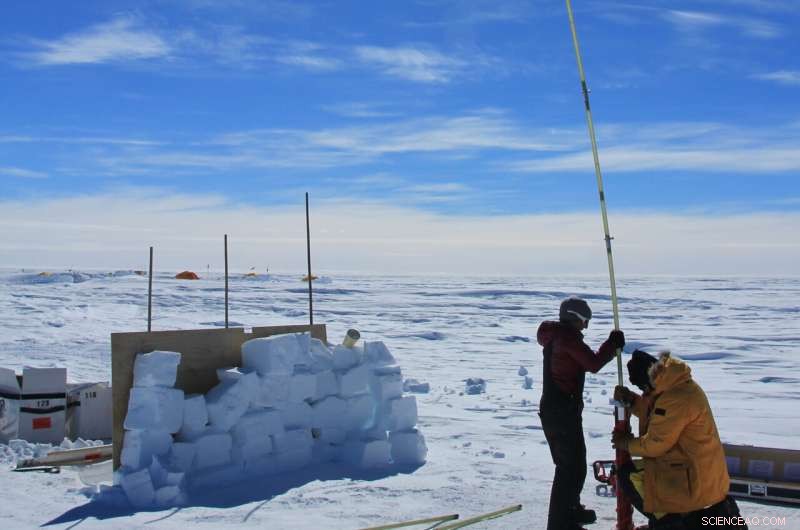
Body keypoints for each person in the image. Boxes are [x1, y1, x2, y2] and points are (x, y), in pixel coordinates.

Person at [613, 350, 744, 529]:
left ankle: (669, 521)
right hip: (699, 471)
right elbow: (656, 412)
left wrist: (626, 443)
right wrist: (633, 401)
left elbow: (655, 444)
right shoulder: (676, 384)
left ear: (650, 382)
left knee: (628, 475)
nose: (645, 394)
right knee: (637, 472)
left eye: (644, 389)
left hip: (695, 480)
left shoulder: (674, 399)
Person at [538, 296, 625, 530]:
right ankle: (560, 523)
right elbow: (593, 363)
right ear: (574, 318)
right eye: (585, 320)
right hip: (561, 412)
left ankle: (571, 509)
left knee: (573, 465)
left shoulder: (559, 336)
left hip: (558, 410)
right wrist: (612, 344)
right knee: (569, 468)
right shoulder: (567, 338)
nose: (586, 326)